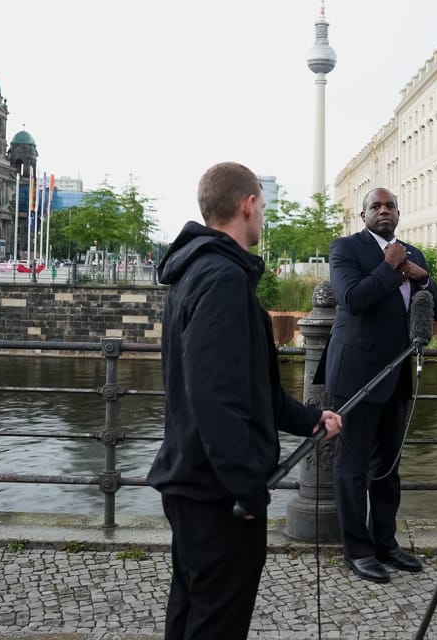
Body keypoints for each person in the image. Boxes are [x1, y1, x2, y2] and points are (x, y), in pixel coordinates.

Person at [146, 162, 341, 639]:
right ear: (247, 204)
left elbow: (252, 388)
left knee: (192, 610)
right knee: (216, 623)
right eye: (263, 205)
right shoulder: (222, 279)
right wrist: (245, 487)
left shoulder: (195, 271)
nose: (264, 214)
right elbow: (216, 397)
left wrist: (312, 419)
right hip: (217, 495)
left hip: (194, 483)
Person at [320, 187, 437, 584]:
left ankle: (385, 542)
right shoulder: (345, 249)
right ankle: (357, 550)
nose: (384, 211)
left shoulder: (413, 254)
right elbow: (352, 299)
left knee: (387, 467)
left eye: (390, 205)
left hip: (398, 374)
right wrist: (389, 268)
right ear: (363, 215)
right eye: (376, 206)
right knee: (352, 467)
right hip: (356, 374)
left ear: (398, 213)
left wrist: (423, 279)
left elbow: (435, 308)